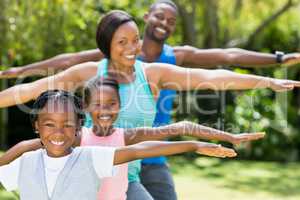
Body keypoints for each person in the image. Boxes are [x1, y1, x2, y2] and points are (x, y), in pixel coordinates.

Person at [0, 2, 299, 199]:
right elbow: (28, 91)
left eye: (135, 40)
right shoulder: (91, 72)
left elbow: (213, 77)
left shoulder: (153, 74)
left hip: (130, 172)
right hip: (85, 169)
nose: (133, 48)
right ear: (107, 46)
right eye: (122, 42)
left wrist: (267, 80)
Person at [1, 78, 265, 200]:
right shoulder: (75, 136)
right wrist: (18, 151)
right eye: (99, 105)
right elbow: (37, 143)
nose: (105, 111)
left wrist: (229, 137)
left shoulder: (122, 135)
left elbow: (162, 137)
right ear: (88, 108)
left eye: (112, 104)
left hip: (120, 193)